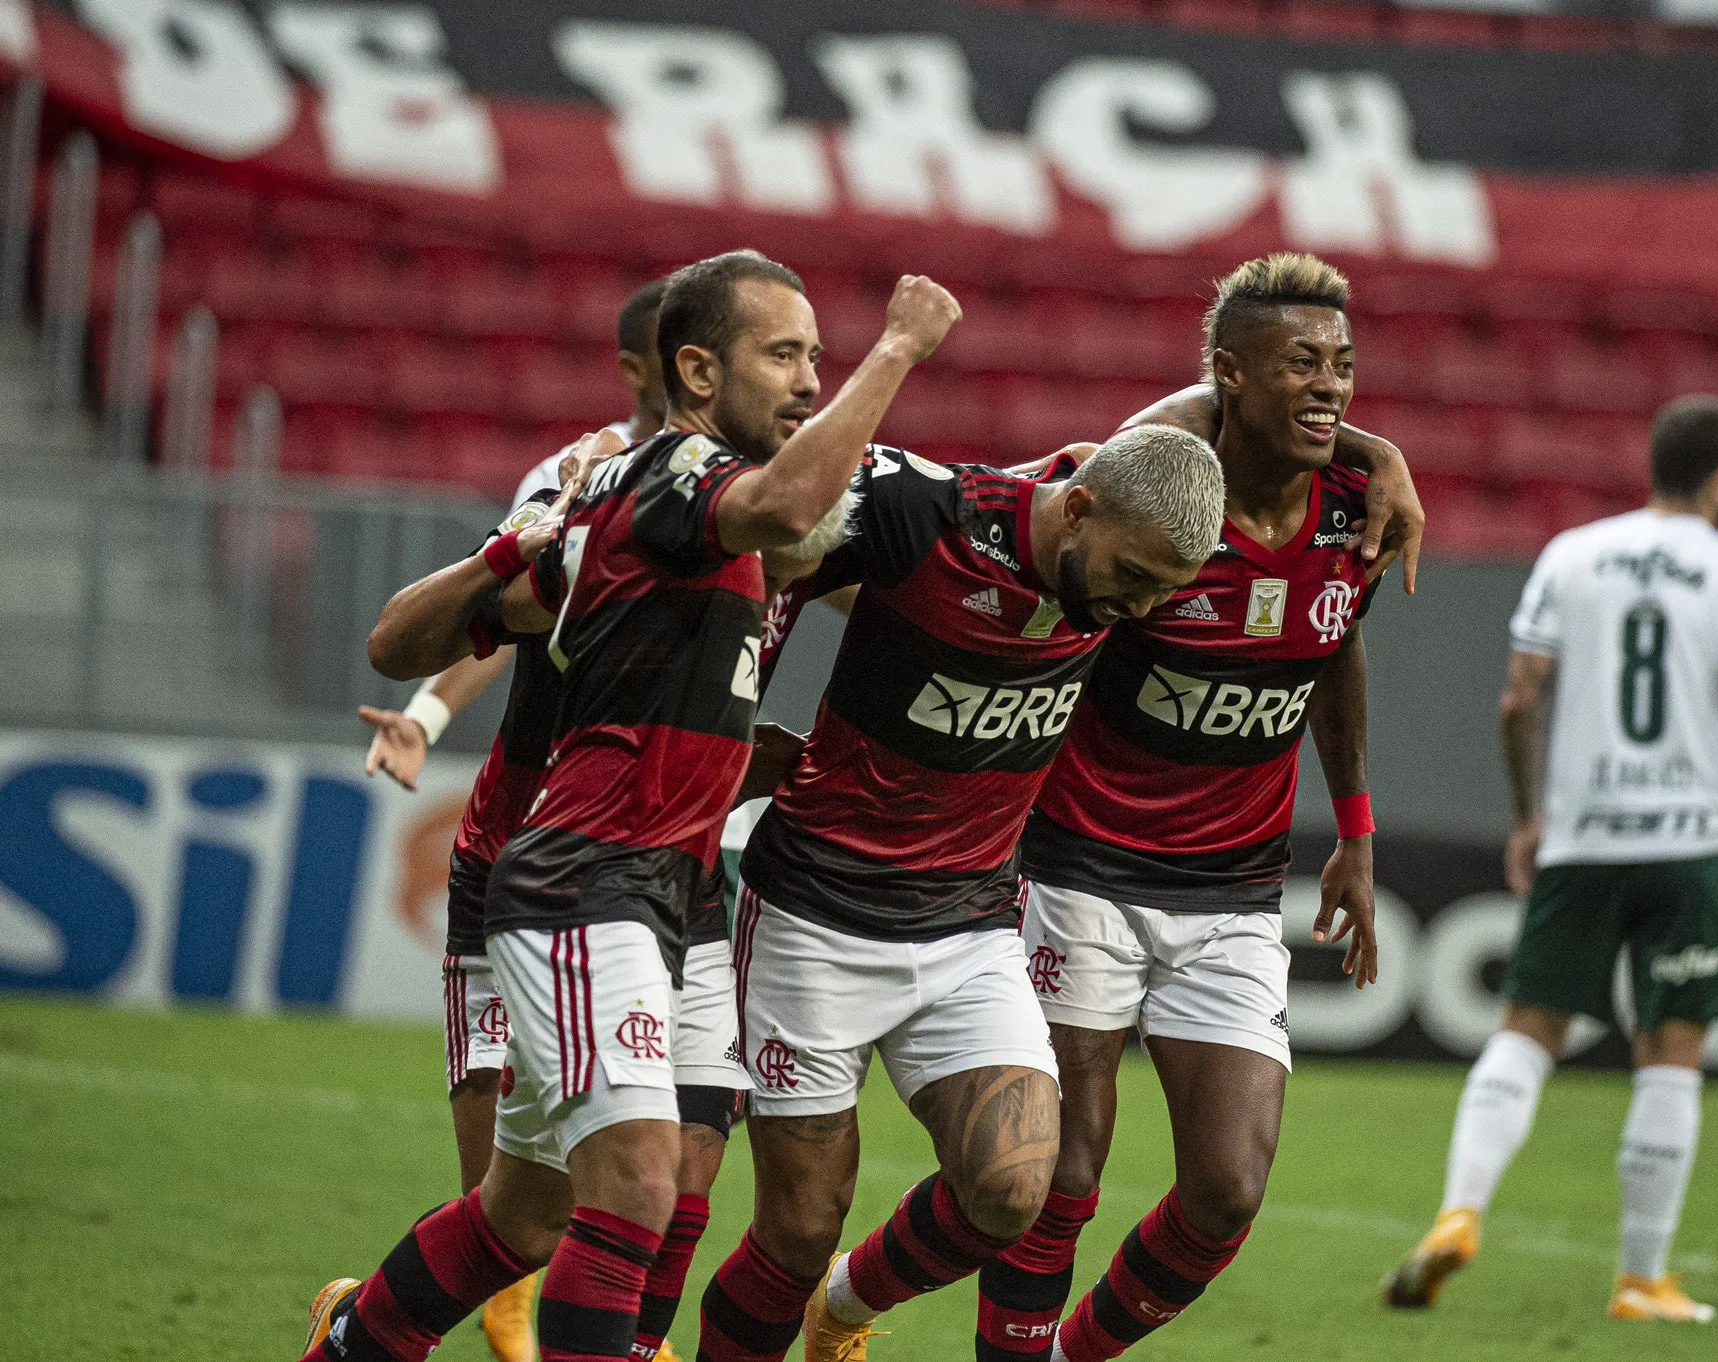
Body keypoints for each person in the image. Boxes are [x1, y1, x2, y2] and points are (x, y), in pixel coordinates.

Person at [298, 251, 961, 1362]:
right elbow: (403, 638)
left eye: (820, 356)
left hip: (680, 884)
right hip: (581, 880)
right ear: (696, 372)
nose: (810, 379)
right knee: (636, 1180)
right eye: (784, 355)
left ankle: (351, 1341)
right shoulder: (674, 484)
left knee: (556, 1204)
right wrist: (896, 350)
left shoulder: (667, 502)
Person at [685, 424, 1226, 1362]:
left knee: (1016, 1188)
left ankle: (842, 1309)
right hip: (813, 915)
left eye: (1162, 591)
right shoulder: (924, 516)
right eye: (1134, 574)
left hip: (968, 923)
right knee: (799, 1228)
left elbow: (1215, 404)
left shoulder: (1106, 515)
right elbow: (774, 534)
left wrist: (1376, 457)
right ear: (1080, 507)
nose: (1138, 606)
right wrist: (722, 730)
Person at [968, 253, 1382, 1362]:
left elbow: (1335, 656)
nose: (1329, 387)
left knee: (1228, 1191)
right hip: (1080, 863)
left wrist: (1353, 832)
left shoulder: (1356, 509)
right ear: (1226, 376)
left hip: (1234, 888)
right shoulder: (1149, 501)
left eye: (1342, 365)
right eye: (1299, 362)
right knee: (1064, 1170)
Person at [1381, 394, 1718, 1323]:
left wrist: (1527, 816)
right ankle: (1640, 1280)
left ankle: (1458, 1212)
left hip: (1583, 839)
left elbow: (1517, 701)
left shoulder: (1571, 555)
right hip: (1692, 842)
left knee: (1525, 1033)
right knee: (1671, 1055)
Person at [354, 278, 671, 1362]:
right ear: (658, 367)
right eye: (777, 355)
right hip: (532, 844)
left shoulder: (762, 495)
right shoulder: (572, 481)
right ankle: (405, 1319)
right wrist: (425, 711)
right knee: (509, 1194)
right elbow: (495, 619)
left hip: (654, 856)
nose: (800, 382)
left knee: (670, 1155)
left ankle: (616, 1335)